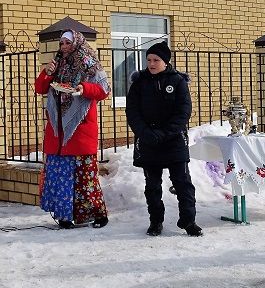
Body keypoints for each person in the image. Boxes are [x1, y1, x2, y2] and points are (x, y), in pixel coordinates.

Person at [34, 30, 110, 229]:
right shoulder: (58, 63)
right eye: (61, 43)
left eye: (67, 43)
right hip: (57, 130)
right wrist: (48, 73)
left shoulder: (89, 63)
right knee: (60, 177)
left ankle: (97, 214)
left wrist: (84, 88)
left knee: (85, 179)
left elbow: (103, 90)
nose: (64, 47)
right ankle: (64, 216)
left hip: (80, 128)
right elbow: (40, 88)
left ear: (76, 42)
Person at [125, 41, 202, 236]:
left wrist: (165, 133)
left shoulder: (177, 81)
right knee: (152, 186)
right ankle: (156, 222)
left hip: (174, 140)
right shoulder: (139, 82)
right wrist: (145, 133)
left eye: (156, 60)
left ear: (165, 62)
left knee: (183, 183)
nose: (151, 63)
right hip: (148, 141)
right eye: (149, 59)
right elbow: (132, 112)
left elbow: (183, 112)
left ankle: (188, 221)